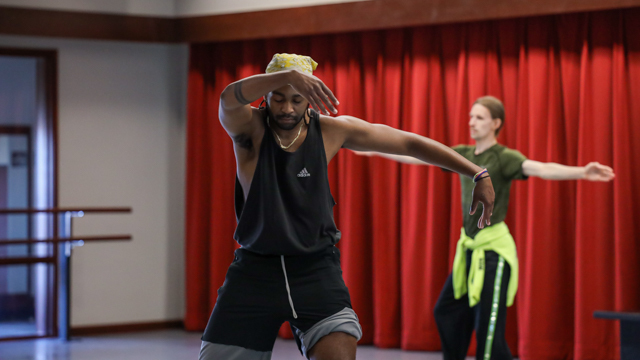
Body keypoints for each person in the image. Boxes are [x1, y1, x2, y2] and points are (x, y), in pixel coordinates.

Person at [198, 54, 497, 360]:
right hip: (254, 272)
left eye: (297, 99)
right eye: (278, 98)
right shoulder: (249, 129)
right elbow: (228, 98)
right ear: (266, 96)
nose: (287, 108)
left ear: (310, 99)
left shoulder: (331, 131)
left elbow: (408, 143)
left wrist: (477, 171)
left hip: (314, 270)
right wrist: (284, 76)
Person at [354, 95, 615, 360]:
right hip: (468, 249)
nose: (472, 122)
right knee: (446, 312)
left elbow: (540, 168)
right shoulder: (465, 155)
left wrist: (582, 171)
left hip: (493, 252)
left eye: (479, 117)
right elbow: (419, 156)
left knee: (488, 331)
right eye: (470, 116)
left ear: (495, 123)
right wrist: (374, 148)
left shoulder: (503, 157)